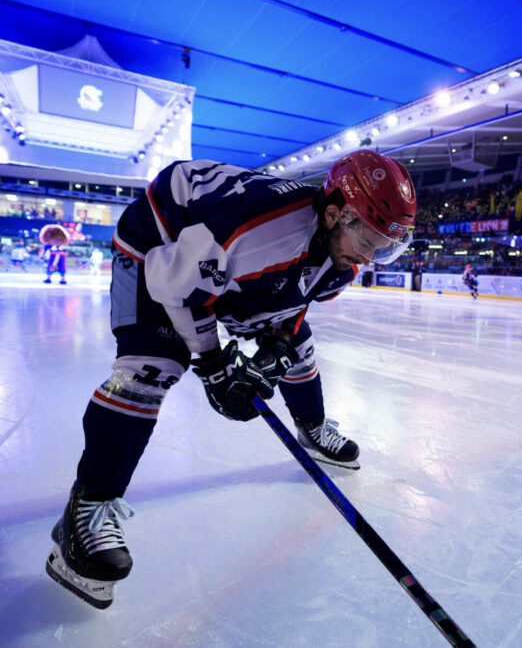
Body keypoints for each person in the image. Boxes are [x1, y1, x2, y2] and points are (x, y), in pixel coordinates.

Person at [45, 150, 417, 609]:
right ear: (336, 210)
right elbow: (176, 287)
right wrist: (216, 366)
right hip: (157, 248)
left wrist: (276, 351)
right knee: (151, 367)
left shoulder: (338, 254)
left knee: (299, 349)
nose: (371, 254)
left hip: (217, 263)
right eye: (368, 236)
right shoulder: (260, 229)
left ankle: (312, 426)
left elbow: (292, 310)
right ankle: (85, 507)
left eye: (385, 243)